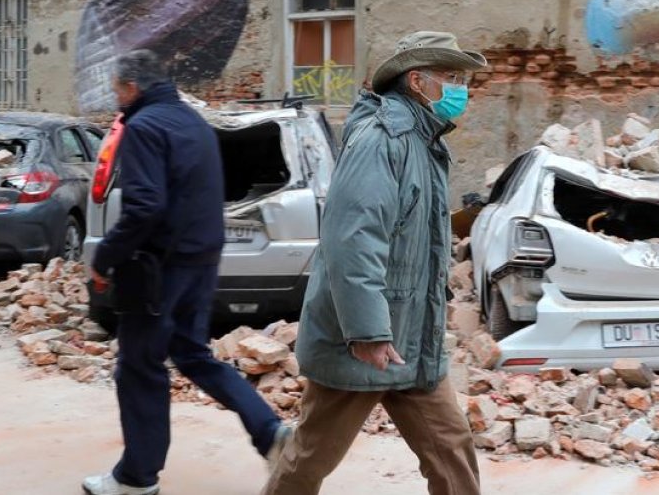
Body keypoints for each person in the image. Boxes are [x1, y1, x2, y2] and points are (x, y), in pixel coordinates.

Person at [262, 31, 487, 495]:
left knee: (452, 450)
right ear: (417, 81)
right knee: (309, 459)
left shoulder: (423, 142)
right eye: (452, 76)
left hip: (413, 340)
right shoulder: (382, 139)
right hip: (363, 340)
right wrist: (368, 333)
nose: (462, 87)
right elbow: (353, 240)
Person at [83, 50, 289, 495]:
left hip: (157, 269)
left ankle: (136, 478)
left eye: (118, 90)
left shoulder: (142, 127)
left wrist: (105, 259)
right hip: (201, 262)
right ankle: (270, 432)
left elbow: (144, 206)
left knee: (139, 368)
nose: (116, 99)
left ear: (133, 87)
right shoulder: (195, 123)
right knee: (194, 356)